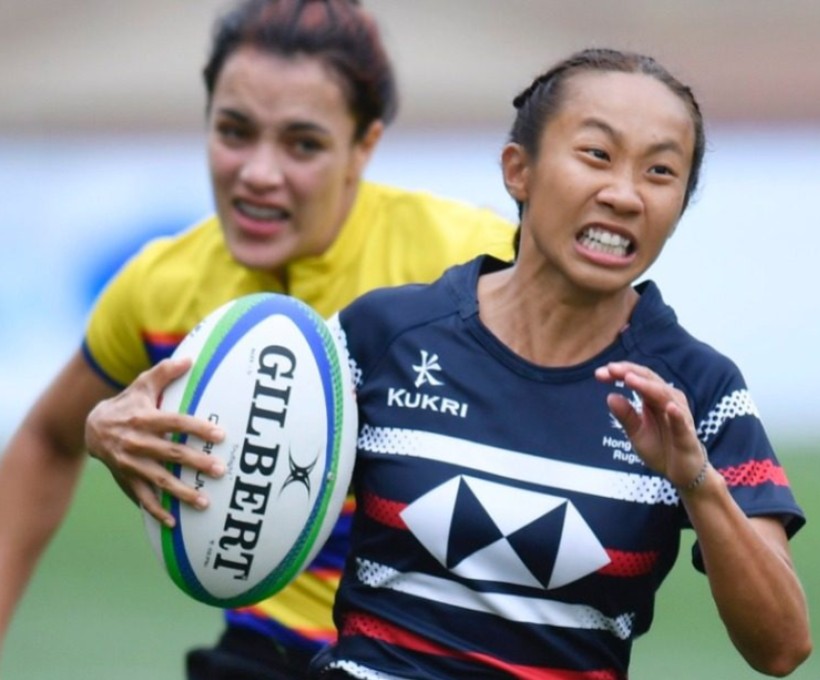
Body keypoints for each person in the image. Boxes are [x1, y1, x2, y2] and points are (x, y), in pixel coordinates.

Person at [0, 0, 514, 677]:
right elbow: (47, 438)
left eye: (302, 143)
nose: (259, 173)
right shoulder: (163, 284)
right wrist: (102, 428)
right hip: (262, 655)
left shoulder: (477, 268)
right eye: (235, 131)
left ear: (365, 146)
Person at [309, 48, 813, 679]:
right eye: (597, 155)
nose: (625, 195)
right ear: (518, 170)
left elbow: (782, 647)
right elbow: (233, 467)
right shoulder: (382, 336)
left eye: (660, 171)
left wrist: (697, 480)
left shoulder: (698, 391)